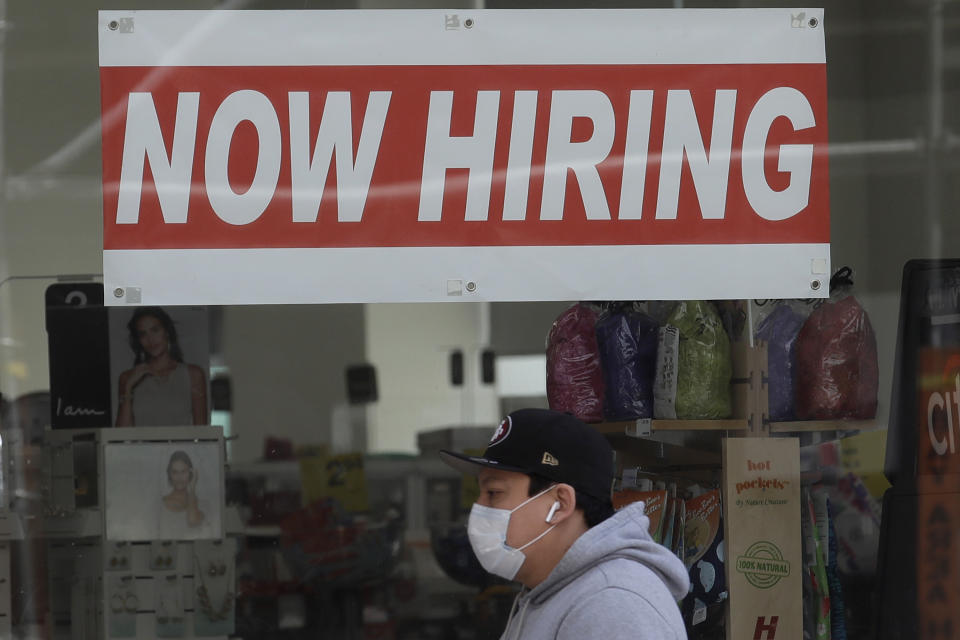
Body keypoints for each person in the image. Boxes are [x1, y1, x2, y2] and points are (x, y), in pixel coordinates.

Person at [440, 408, 689, 639]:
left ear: (559, 503)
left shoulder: (611, 605)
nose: (479, 508)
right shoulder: (553, 593)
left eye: (493, 493)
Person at [115, 307, 208, 427]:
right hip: (140, 446)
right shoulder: (127, 378)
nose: (151, 340)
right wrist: (128, 388)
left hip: (182, 446)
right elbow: (121, 437)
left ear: (167, 331)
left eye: (155, 330)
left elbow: (202, 434)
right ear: (138, 340)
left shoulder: (194, 374)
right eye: (143, 334)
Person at [160, 450, 208, 538]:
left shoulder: (202, 504)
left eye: (183, 471)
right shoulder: (160, 504)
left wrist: (192, 488)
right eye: (175, 472)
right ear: (169, 474)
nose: (179, 477)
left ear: (191, 473)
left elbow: (193, 522)